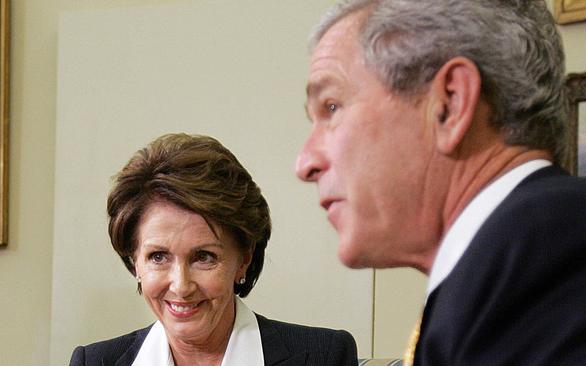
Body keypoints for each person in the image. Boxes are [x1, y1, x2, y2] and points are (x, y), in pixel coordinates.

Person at [295, 0, 586, 365]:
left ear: (449, 104)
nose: (305, 164)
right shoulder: (501, 271)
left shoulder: (546, 262)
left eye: (332, 107)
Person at [69, 133, 357, 366]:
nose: (181, 286)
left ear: (243, 258)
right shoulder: (95, 361)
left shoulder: (325, 356)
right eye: (158, 256)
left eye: (204, 257)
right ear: (135, 262)